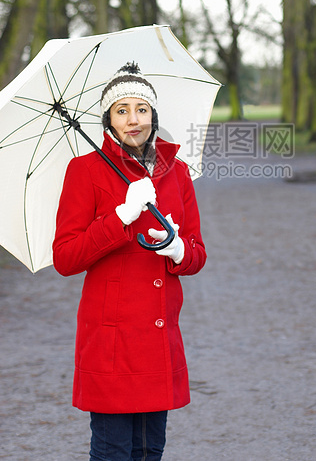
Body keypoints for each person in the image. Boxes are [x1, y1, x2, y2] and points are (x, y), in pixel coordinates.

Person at [53, 62, 207, 461]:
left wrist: (177, 250)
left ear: (154, 115)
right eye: (122, 110)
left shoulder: (177, 173)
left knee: (149, 451)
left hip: (159, 338)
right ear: (108, 120)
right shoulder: (84, 171)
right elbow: (66, 257)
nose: (133, 120)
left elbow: (197, 254)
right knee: (113, 452)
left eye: (142, 108)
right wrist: (119, 217)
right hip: (112, 343)